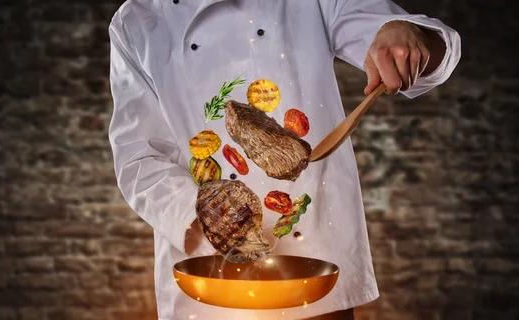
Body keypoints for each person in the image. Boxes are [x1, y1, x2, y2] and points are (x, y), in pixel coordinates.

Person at [107, 0, 460, 319]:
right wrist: (204, 210)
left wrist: (405, 35)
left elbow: (400, 38)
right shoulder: (135, 21)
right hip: (208, 278)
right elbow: (139, 155)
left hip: (315, 274)